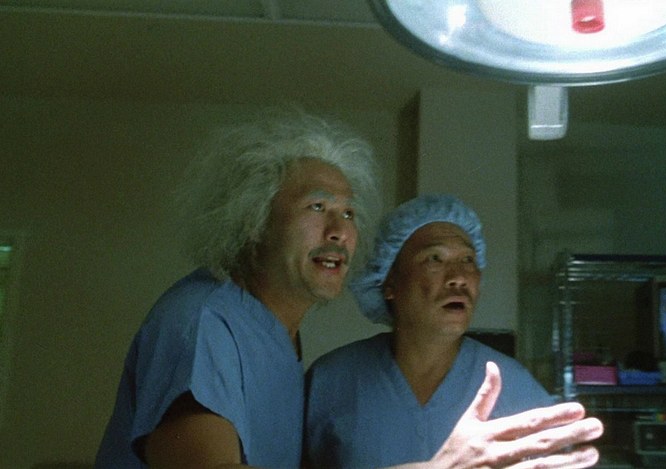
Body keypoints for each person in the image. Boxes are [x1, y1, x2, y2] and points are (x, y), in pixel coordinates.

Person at [96, 110, 602, 468]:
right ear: (253, 221)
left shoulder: (277, 343)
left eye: (349, 213)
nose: (339, 229)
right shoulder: (205, 320)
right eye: (317, 207)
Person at [304, 194, 603, 469]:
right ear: (389, 282)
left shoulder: (514, 387)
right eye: (434, 258)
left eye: (467, 260)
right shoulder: (332, 381)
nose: (458, 277)